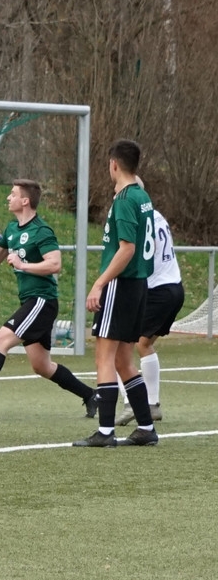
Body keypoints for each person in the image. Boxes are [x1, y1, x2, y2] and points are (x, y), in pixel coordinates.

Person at [0, 180, 97, 418]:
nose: (8, 197)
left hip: (42, 301)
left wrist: (23, 265)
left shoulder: (41, 231)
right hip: (31, 302)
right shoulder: (12, 229)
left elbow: (55, 264)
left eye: (13, 194)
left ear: (25, 201)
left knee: (0, 341)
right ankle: (90, 395)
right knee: (42, 366)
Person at [74, 139, 158, 447]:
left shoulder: (125, 199)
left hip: (121, 284)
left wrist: (99, 283)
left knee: (104, 357)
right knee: (123, 359)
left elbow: (127, 249)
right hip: (138, 285)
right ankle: (146, 428)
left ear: (113, 165)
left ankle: (106, 432)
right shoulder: (141, 195)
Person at [116, 177, 183, 425]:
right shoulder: (157, 215)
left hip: (157, 291)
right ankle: (152, 404)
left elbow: (133, 254)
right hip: (174, 288)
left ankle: (131, 403)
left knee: (118, 347)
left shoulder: (139, 219)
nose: (116, 195)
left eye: (119, 190)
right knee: (143, 345)